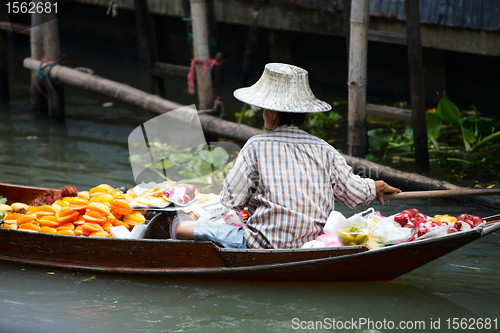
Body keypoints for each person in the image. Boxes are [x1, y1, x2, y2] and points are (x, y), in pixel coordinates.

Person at [175, 63, 400, 249]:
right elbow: (354, 193)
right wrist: (376, 186)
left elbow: (231, 201)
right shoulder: (324, 149)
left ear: (272, 113)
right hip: (312, 245)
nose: (263, 113)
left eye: (264, 109)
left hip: (262, 243)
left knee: (181, 227)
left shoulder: (256, 146)